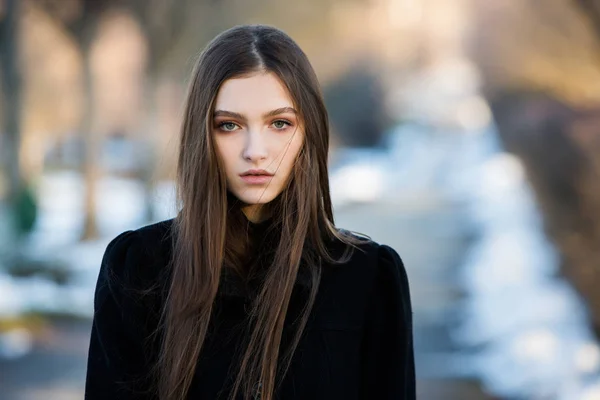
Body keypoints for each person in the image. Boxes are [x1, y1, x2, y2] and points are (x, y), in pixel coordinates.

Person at [85, 24, 415, 400]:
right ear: (202, 135)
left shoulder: (368, 278)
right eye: (229, 125)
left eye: (279, 123)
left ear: (309, 131)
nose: (255, 150)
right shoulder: (138, 268)